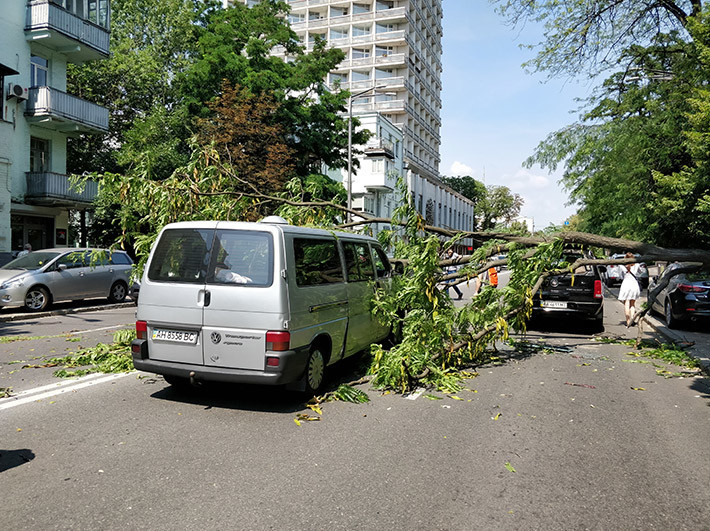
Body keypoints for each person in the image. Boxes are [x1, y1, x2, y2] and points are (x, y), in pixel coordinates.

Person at [618, 251, 641, 327]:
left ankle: (628, 321)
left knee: (626, 303)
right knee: (632, 304)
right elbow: (640, 272)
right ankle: (632, 319)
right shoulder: (637, 265)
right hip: (634, 285)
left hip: (626, 284)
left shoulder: (622, 266)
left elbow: (620, 276)